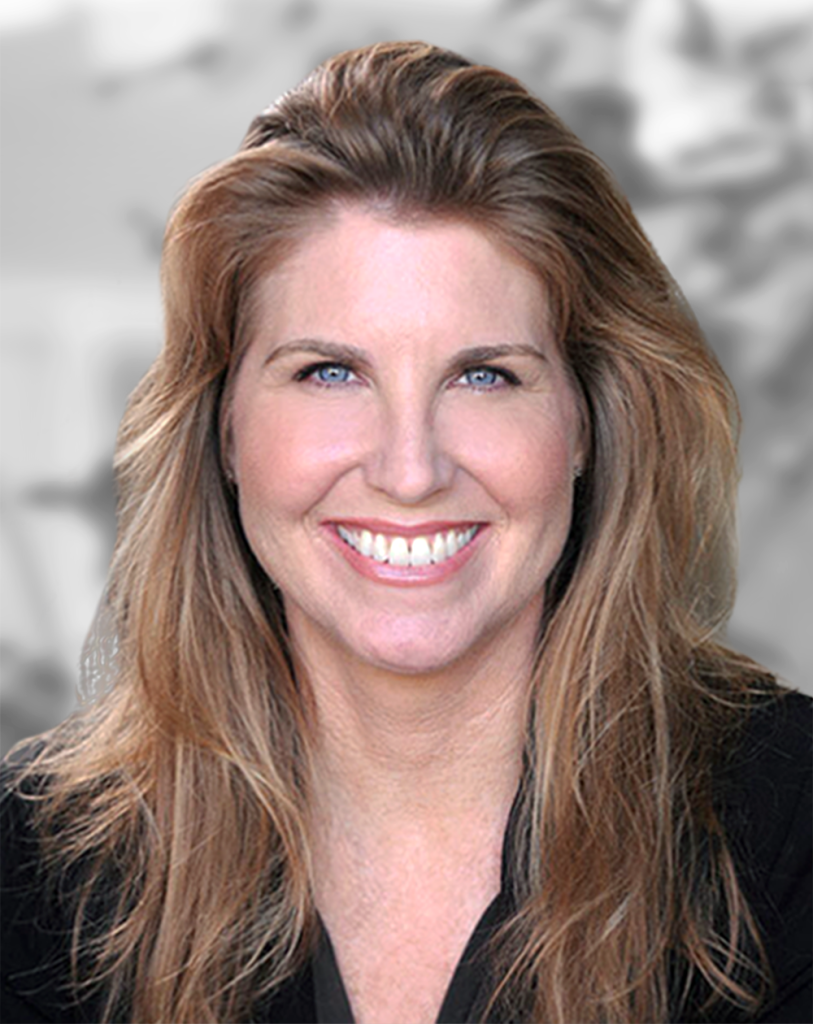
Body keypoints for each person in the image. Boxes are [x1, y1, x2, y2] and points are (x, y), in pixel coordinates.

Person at [1, 41, 810, 1024]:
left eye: (485, 375)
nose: (410, 468)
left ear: (589, 424)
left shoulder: (787, 829)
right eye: (330, 372)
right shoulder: (33, 872)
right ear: (222, 428)